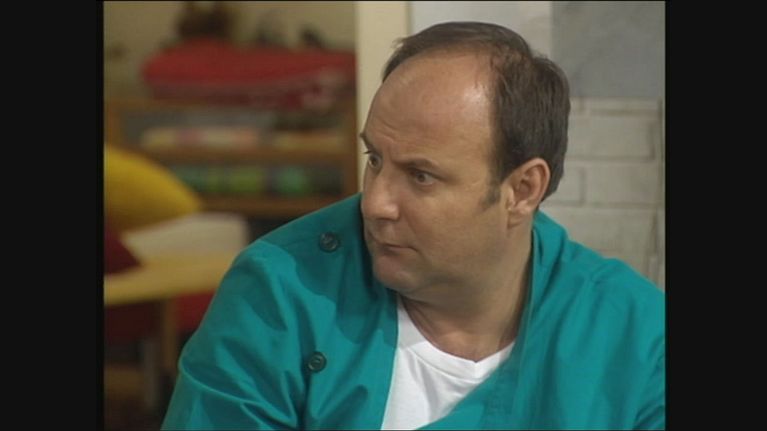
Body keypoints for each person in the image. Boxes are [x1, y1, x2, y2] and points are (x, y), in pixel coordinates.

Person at [161, 21, 665, 430]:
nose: (375, 204)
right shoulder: (279, 293)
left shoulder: (635, 334)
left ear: (522, 190)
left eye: (421, 176)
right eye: (375, 160)